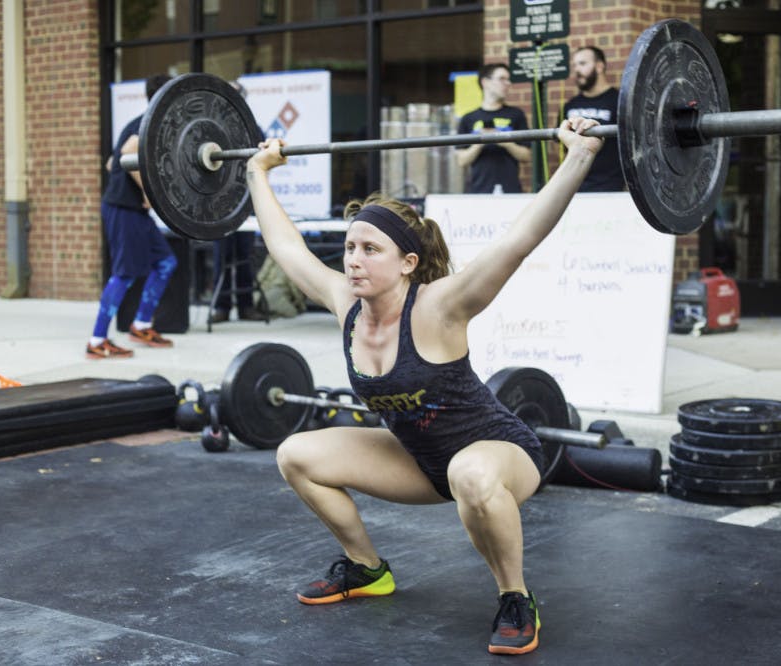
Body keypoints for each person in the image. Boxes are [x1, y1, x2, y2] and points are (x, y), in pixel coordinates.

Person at [244, 115, 604, 655]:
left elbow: (520, 240)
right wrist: (258, 171)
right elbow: (286, 246)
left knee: (470, 472)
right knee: (296, 454)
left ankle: (515, 597)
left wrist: (579, 155)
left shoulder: (441, 306)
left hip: (499, 455)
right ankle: (367, 569)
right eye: (350, 247)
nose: (354, 260)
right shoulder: (346, 303)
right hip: (422, 463)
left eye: (371, 249)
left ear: (408, 263)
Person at [86, 73, 177, 359]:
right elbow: (127, 151)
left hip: (132, 209)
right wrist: (148, 193)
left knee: (165, 262)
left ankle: (141, 325)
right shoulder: (146, 123)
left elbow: (110, 162)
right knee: (124, 274)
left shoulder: (148, 122)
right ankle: (97, 340)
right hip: (123, 209)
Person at [211, 80, 266, 324]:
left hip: (244, 199)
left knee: (245, 254)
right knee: (221, 255)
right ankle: (221, 307)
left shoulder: (251, 127)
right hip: (220, 202)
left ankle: (246, 306)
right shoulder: (213, 125)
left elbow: (263, 160)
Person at [455, 63, 531, 194]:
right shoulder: (468, 118)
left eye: (508, 79)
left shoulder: (516, 114)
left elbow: (526, 156)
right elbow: (462, 160)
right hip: (478, 190)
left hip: (510, 189)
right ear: (485, 82)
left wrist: (505, 141)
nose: (507, 83)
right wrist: (481, 141)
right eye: (502, 79)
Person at [560, 46, 625, 192]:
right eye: (574, 65)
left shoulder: (620, 102)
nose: (577, 70)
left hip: (611, 187)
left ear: (599, 66)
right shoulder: (570, 105)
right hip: (574, 186)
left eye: (582, 64)